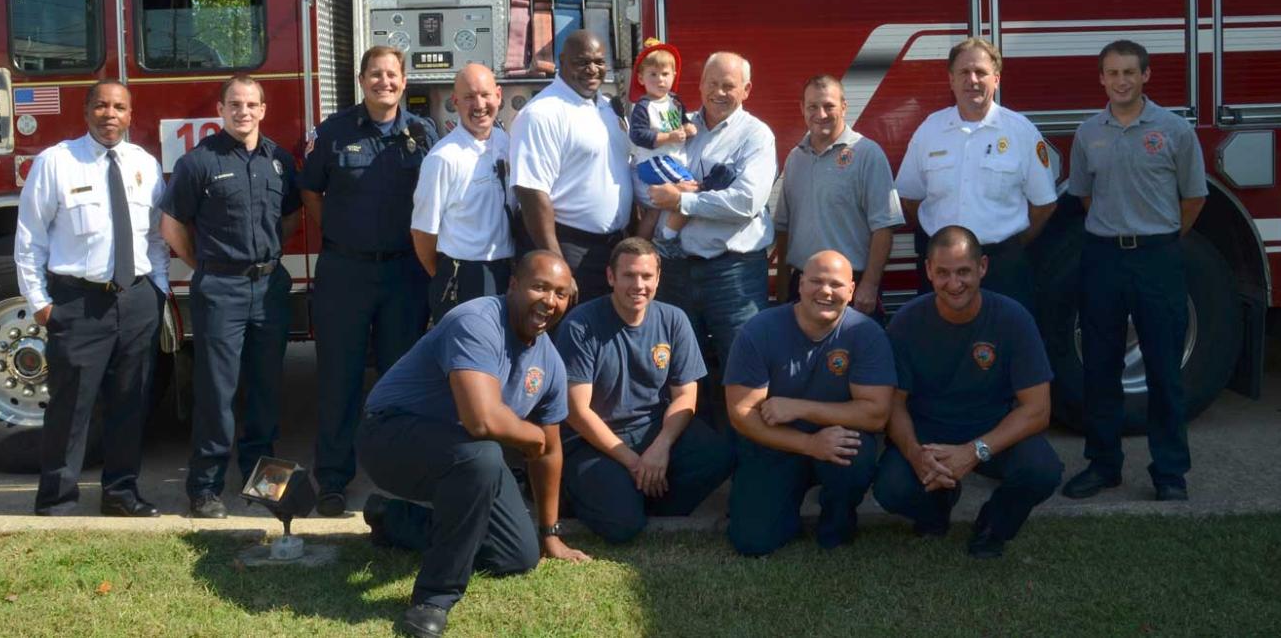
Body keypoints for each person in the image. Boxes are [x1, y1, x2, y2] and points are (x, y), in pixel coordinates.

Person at [357, 251, 591, 638]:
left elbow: (549, 452)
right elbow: (481, 419)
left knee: (517, 555)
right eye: (540, 287)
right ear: (513, 285)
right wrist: (532, 436)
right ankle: (434, 598)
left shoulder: (549, 360)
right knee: (482, 454)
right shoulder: (476, 322)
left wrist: (550, 533)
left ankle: (394, 520)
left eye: (562, 294)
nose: (550, 301)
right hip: (389, 437)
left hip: (463, 454)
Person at [1062, 40, 1207, 503]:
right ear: (1101, 78)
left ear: (1146, 76)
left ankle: (1170, 472)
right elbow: (1084, 197)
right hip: (1103, 257)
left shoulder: (1174, 130)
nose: (1121, 80)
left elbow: (1194, 197)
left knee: (1164, 368)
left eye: (1129, 72)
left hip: (1157, 259)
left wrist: (1158, 239)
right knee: (1100, 367)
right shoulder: (1088, 134)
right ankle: (1103, 466)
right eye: (1112, 73)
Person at [15, 79, 169, 518]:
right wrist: (41, 302)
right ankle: (58, 499)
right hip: (79, 302)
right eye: (101, 106)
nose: (109, 115)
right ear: (86, 112)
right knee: (71, 406)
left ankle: (122, 492)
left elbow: (155, 236)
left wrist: (156, 289)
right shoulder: (57, 162)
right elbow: (30, 240)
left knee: (130, 401)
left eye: (119, 107)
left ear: (130, 115)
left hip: (136, 299)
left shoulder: (144, 164)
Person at [302, 45, 438, 517]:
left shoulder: (423, 134)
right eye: (375, 74)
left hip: (404, 273)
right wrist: (343, 234)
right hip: (346, 273)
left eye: (392, 74)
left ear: (405, 81)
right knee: (338, 378)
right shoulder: (333, 132)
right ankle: (333, 480)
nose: (385, 82)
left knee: (400, 378)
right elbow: (310, 191)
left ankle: (398, 477)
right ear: (361, 80)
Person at [873, 226, 1062, 559]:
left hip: (992, 433)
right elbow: (895, 404)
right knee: (891, 489)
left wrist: (974, 452)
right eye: (943, 273)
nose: (954, 283)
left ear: (983, 268)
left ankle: (994, 525)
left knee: (1041, 469)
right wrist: (916, 454)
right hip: (930, 436)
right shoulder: (906, 322)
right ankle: (937, 508)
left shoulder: (1013, 319)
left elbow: (1037, 409)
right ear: (928, 270)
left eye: (964, 272)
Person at [160, 74, 301, 519]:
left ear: (263, 109)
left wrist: (265, 260)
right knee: (217, 393)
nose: (243, 112)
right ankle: (205, 488)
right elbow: (172, 226)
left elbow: (292, 217)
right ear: (220, 111)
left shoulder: (278, 160)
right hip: (220, 287)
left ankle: (263, 483)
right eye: (234, 105)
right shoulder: (198, 163)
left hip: (270, 285)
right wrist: (205, 265)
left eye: (251, 104)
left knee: (265, 389)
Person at [555, 238, 734, 543]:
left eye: (647, 276)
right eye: (628, 275)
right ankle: (582, 492)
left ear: (658, 278)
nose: (638, 285)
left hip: (652, 431)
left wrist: (661, 447)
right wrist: (634, 462)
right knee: (623, 528)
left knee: (720, 455)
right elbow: (577, 411)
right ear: (611, 277)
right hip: (592, 441)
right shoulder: (580, 325)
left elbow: (686, 396)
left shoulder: (673, 319)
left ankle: (645, 497)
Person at [723, 250, 894, 555]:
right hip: (774, 442)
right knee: (752, 542)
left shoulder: (866, 334)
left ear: (852, 291)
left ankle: (837, 522)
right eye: (816, 281)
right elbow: (741, 414)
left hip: (835, 440)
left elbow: (876, 415)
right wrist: (809, 444)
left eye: (836, 284)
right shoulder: (759, 330)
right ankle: (780, 508)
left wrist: (800, 408)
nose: (826, 291)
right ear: (800, 284)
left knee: (855, 455)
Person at [895, 37, 1056, 313]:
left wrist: (1009, 244)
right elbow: (909, 197)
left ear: (996, 79)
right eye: (964, 72)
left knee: (1006, 347)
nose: (972, 80)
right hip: (943, 271)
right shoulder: (930, 130)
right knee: (939, 347)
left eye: (981, 72)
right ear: (951, 80)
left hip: (1001, 269)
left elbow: (1044, 204)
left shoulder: (1021, 131)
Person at [648, 52, 775, 376]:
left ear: (746, 90)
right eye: (712, 83)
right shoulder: (679, 127)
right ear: (701, 84)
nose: (719, 92)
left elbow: (746, 201)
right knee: (679, 369)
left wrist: (682, 202)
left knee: (742, 368)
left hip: (734, 274)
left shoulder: (756, 136)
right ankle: (692, 428)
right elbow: (650, 177)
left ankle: (742, 429)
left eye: (729, 86)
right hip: (675, 269)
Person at [510, 30, 632, 303]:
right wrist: (558, 268)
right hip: (568, 249)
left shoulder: (607, 108)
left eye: (599, 62)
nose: (592, 69)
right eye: (582, 62)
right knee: (566, 338)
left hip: (611, 249)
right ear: (561, 62)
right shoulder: (542, 113)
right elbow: (531, 193)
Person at [773, 75, 904, 318]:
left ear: (844, 106)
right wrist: (782, 289)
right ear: (802, 108)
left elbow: (884, 227)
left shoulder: (867, 154)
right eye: (812, 106)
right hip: (802, 285)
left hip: (851, 286)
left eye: (829, 106)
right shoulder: (795, 158)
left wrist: (870, 285)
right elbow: (784, 228)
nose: (820, 114)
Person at [412, 64, 515, 326]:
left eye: (485, 94)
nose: (479, 104)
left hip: (508, 272)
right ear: (455, 101)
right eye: (469, 97)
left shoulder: (508, 145)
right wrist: (446, 276)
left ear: (499, 96)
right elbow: (423, 232)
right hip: (464, 277)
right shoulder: (443, 158)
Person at [626, 38, 697, 250]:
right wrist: (669, 138)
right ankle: (666, 238)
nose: (660, 80)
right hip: (653, 161)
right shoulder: (643, 106)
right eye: (653, 75)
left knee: (655, 209)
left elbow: (684, 122)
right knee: (690, 189)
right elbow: (637, 135)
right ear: (641, 78)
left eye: (665, 74)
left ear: (674, 75)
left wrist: (689, 128)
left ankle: (640, 246)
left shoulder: (674, 101)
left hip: (671, 160)